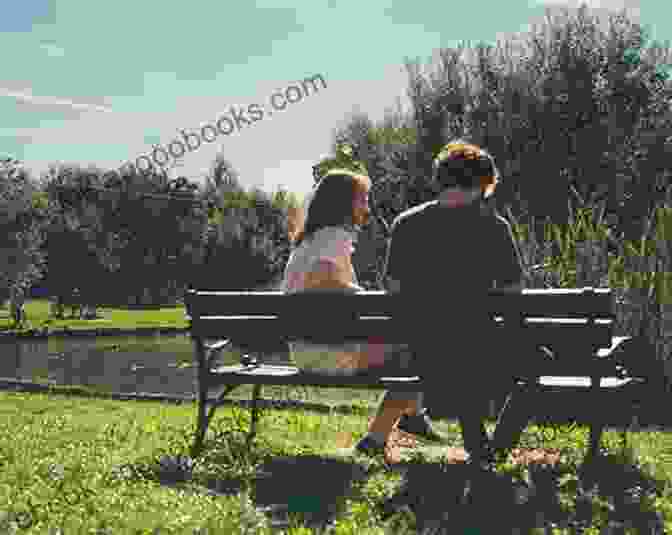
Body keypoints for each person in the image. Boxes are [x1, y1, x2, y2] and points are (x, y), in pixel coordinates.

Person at [381, 140, 526, 468]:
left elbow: (392, 287)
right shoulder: (492, 227)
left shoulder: (406, 223)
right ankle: (490, 447)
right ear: (482, 184)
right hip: (479, 348)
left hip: (419, 351)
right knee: (536, 362)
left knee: (458, 344)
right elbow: (513, 289)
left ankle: (480, 444)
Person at [281, 168, 444, 457]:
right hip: (328, 351)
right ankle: (378, 438)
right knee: (420, 351)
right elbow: (324, 279)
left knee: (409, 347)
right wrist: (366, 299)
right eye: (362, 200)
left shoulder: (308, 241)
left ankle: (412, 418)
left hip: (306, 349)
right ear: (343, 204)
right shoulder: (334, 236)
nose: (367, 208)